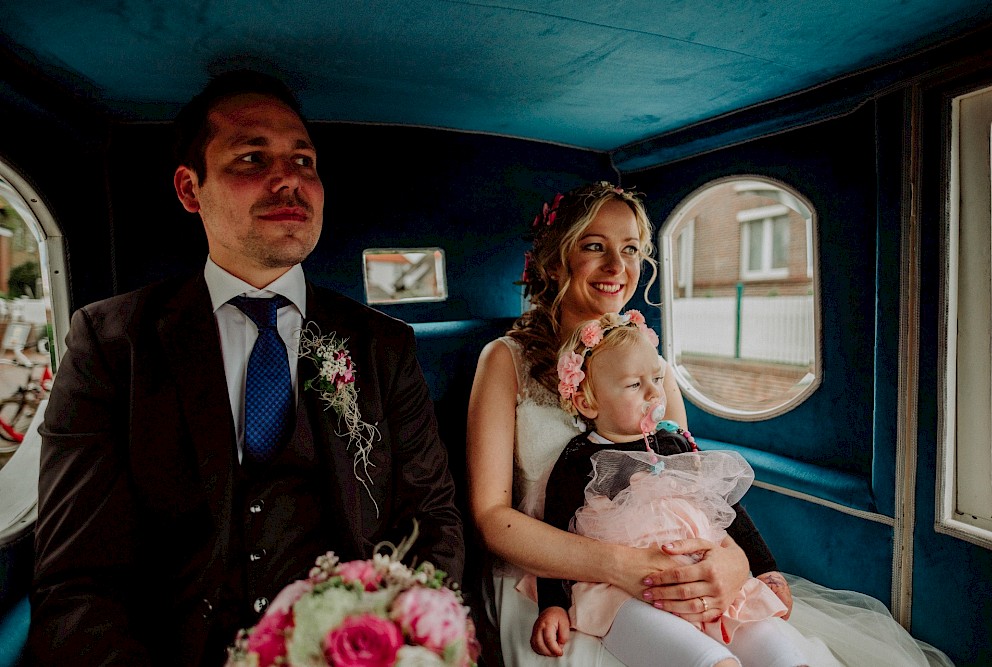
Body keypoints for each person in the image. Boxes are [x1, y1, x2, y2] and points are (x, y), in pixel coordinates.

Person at [28, 70, 464, 666]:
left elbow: (432, 522)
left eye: (304, 161)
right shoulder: (110, 344)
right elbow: (78, 578)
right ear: (190, 189)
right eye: (250, 158)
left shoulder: (383, 346)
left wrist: (400, 645)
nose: (288, 179)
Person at [467, 181, 765, 666]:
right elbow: (492, 518)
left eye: (629, 249)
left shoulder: (653, 368)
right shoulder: (505, 361)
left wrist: (734, 562)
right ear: (556, 261)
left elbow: (690, 486)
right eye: (594, 247)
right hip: (550, 593)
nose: (616, 268)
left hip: (664, 570)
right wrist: (621, 567)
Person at [533, 312, 830, 667]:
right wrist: (551, 603)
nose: (654, 392)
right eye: (633, 385)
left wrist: (765, 567)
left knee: (779, 651)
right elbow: (552, 536)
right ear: (587, 402)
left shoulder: (675, 443)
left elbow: (724, 507)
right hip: (627, 592)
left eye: (656, 378)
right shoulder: (580, 460)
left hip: (702, 575)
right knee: (710, 661)